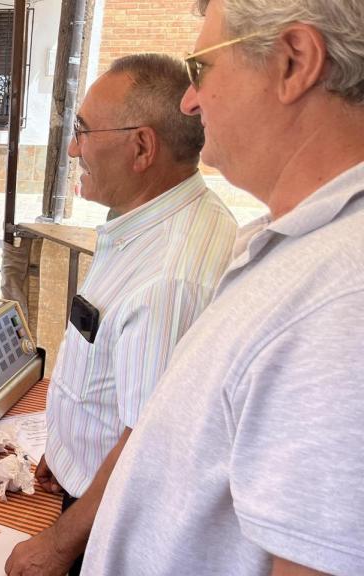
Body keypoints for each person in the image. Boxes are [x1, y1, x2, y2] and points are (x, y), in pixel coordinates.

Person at [82, 1, 364, 574]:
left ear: (294, 62)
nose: (190, 100)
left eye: (202, 67)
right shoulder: (308, 247)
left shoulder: (341, 305)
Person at [3, 54, 237, 576]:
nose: (72, 148)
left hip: (111, 527)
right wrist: (69, 451)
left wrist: (60, 544)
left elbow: (148, 447)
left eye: (83, 131)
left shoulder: (168, 277)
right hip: (92, 490)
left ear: (142, 147)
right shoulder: (161, 218)